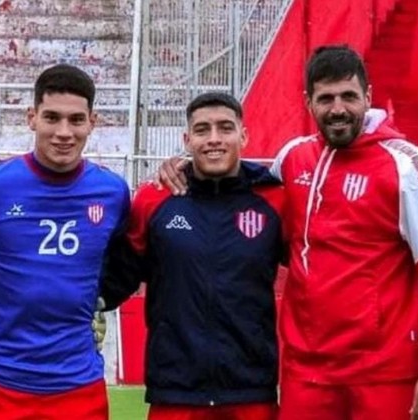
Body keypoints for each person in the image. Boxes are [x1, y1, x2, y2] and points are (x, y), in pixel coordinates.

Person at [158, 45, 418, 420]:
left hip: (384, 371)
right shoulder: (293, 158)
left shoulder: (406, 165)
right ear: (307, 102)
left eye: (348, 96)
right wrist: (187, 164)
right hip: (306, 371)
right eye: (325, 98)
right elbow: (235, 183)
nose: (338, 109)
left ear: (368, 96)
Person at [0, 63, 130, 420]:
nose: (64, 132)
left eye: (76, 120)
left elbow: (129, 258)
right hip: (0, 381)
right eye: (52, 118)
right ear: (31, 118)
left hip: (79, 382)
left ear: (92, 122)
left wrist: (102, 298)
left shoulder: (112, 192)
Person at [101, 91, 285, 420]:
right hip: (176, 392)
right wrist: (80, 303)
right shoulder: (154, 199)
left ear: (243, 136)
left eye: (225, 128)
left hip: (250, 391)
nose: (214, 139)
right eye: (202, 130)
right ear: (187, 140)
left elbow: (316, 265)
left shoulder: (275, 201)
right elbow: (117, 277)